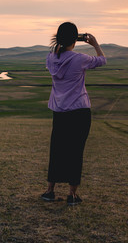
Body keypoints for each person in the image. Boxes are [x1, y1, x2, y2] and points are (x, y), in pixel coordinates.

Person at [41, 22, 106, 205]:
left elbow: (59, 53)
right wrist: (94, 44)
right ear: (75, 39)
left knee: (57, 150)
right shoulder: (79, 58)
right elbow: (102, 60)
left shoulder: (50, 58)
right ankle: (72, 195)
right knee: (75, 152)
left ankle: (49, 191)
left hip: (59, 111)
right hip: (79, 111)